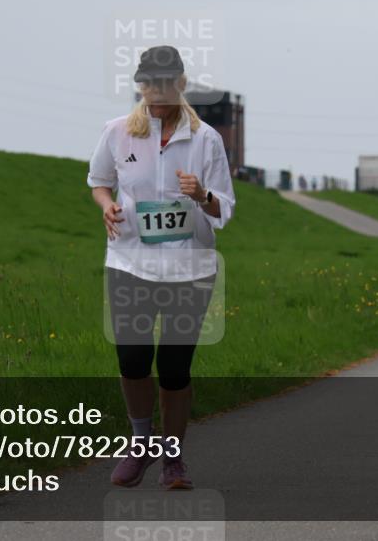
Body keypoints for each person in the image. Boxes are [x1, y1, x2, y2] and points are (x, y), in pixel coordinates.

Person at [87, 45, 236, 490]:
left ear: (181, 84)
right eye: (148, 83)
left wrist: (202, 196)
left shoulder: (206, 139)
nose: (155, 91)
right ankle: (141, 443)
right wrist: (107, 206)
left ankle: (173, 458)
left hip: (189, 266)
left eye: (165, 82)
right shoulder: (117, 132)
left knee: (174, 368)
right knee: (132, 359)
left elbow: (224, 208)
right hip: (130, 261)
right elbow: (99, 181)